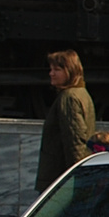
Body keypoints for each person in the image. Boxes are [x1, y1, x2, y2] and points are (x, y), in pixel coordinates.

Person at [36, 50, 95, 190]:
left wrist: (78, 177)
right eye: (51, 69)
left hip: (60, 179)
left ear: (70, 71)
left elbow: (74, 140)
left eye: (57, 69)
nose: (51, 73)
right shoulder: (81, 93)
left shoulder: (69, 97)